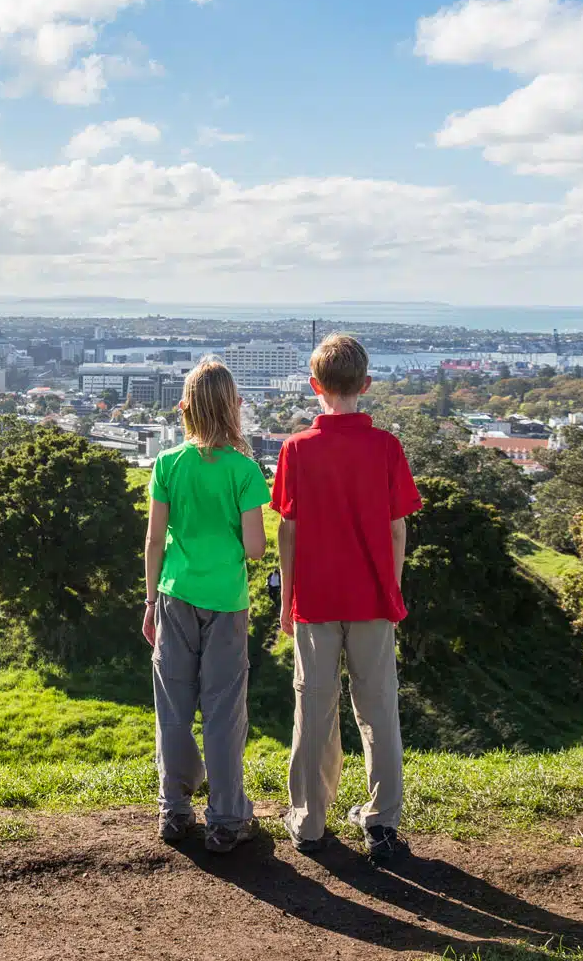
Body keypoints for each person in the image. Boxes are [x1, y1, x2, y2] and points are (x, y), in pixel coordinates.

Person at [272, 334, 422, 865]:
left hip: (315, 596)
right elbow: (397, 529)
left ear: (315, 386)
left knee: (313, 706)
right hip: (374, 598)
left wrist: (286, 599)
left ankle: (309, 820)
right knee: (379, 707)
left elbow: (287, 532)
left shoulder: (295, 449)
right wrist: (393, 586)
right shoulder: (386, 447)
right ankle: (382, 822)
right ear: (366, 385)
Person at [143, 357, 270, 853]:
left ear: (184, 409)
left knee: (172, 708)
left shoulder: (166, 464)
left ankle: (174, 811)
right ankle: (226, 818)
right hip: (227, 601)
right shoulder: (243, 469)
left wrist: (150, 600)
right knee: (223, 710)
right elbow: (257, 547)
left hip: (174, 595)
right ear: (234, 409)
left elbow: (155, 539)